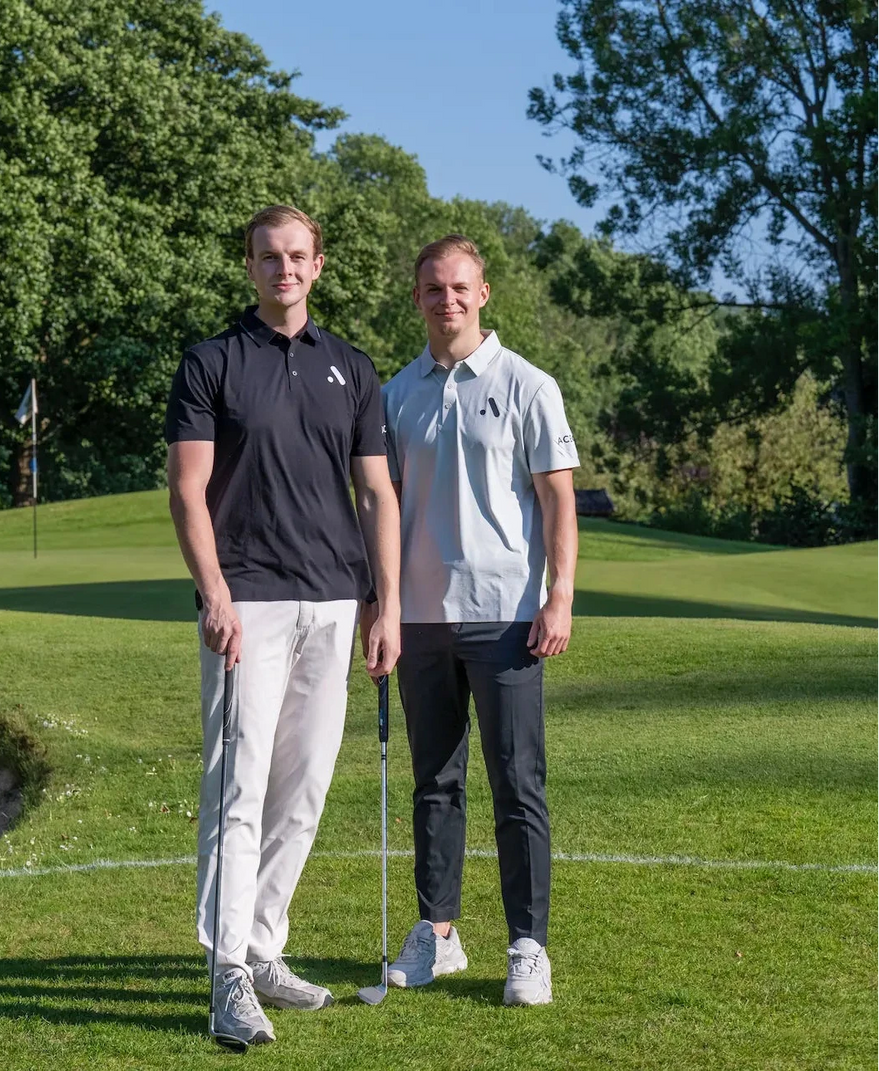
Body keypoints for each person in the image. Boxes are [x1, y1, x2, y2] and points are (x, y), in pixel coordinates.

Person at [165, 205, 401, 1047]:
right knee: (239, 788)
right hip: (249, 602)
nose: (284, 270)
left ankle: (265, 946)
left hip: (335, 601)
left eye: (297, 256)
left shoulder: (352, 367)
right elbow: (188, 490)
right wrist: (215, 594)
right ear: (250, 265)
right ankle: (227, 971)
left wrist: (386, 602)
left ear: (318, 264)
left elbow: (375, 493)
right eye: (269, 257)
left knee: (302, 792)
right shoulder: (212, 363)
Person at [381, 234, 578, 1006]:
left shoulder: (529, 384)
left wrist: (559, 593)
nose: (447, 299)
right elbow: (384, 506)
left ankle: (528, 946)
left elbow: (558, 497)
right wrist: (380, 601)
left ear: (484, 293)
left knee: (516, 785)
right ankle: (439, 934)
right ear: (418, 297)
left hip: (508, 617)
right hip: (421, 619)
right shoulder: (398, 393)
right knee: (436, 783)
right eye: (433, 288)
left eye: (460, 287)